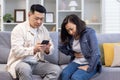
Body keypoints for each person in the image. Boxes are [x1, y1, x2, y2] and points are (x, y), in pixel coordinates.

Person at [6, 4, 61, 80]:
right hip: (21, 62)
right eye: (36, 18)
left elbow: (51, 48)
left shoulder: (43, 29)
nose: (39, 22)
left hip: (37, 63)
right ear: (29, 15)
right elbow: (17, 51)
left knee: (56, 70)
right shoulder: (19, 29)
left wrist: (47, 49)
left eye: (41, 19)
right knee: (25, 69)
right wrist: (34, 50)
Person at [59, 14, 102, 80]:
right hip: (76, 61)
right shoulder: (70, 36)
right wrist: (73, 53)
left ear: (77, 24)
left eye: (71, 29)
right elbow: (61, 47)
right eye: (68, 30)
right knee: (64, 74)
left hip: (90, 63)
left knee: (76, 77)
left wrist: (89, 67)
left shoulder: (89, 33)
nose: (70, 32)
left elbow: (96, 52)